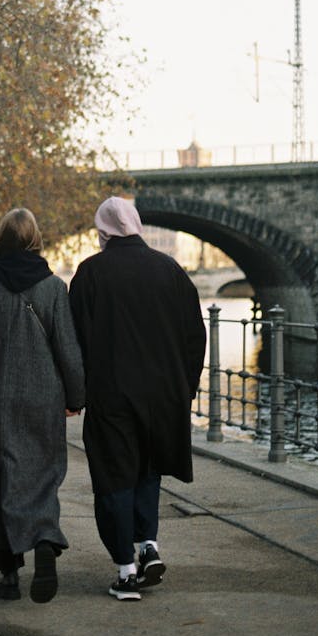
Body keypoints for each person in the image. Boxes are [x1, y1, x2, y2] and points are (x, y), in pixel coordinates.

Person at [69, 196, 206, 601]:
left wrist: (75, 394)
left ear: (103, 230)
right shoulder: (170, 270)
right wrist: (186, 388)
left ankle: (126, 570)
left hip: (112, 395)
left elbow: (75, 340)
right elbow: (194, 336)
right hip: (164, 394)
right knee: (149, 470)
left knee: (114, 476)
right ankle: (149, 545)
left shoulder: (90, 273)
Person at [0, 207, 85, 603]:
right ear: (35, 240)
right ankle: (44, 540)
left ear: (1, 240)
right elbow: (68, 352)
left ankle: (8, 576)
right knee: (41, 474)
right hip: (42, 398)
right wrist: (76, 397)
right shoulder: (54, 289)